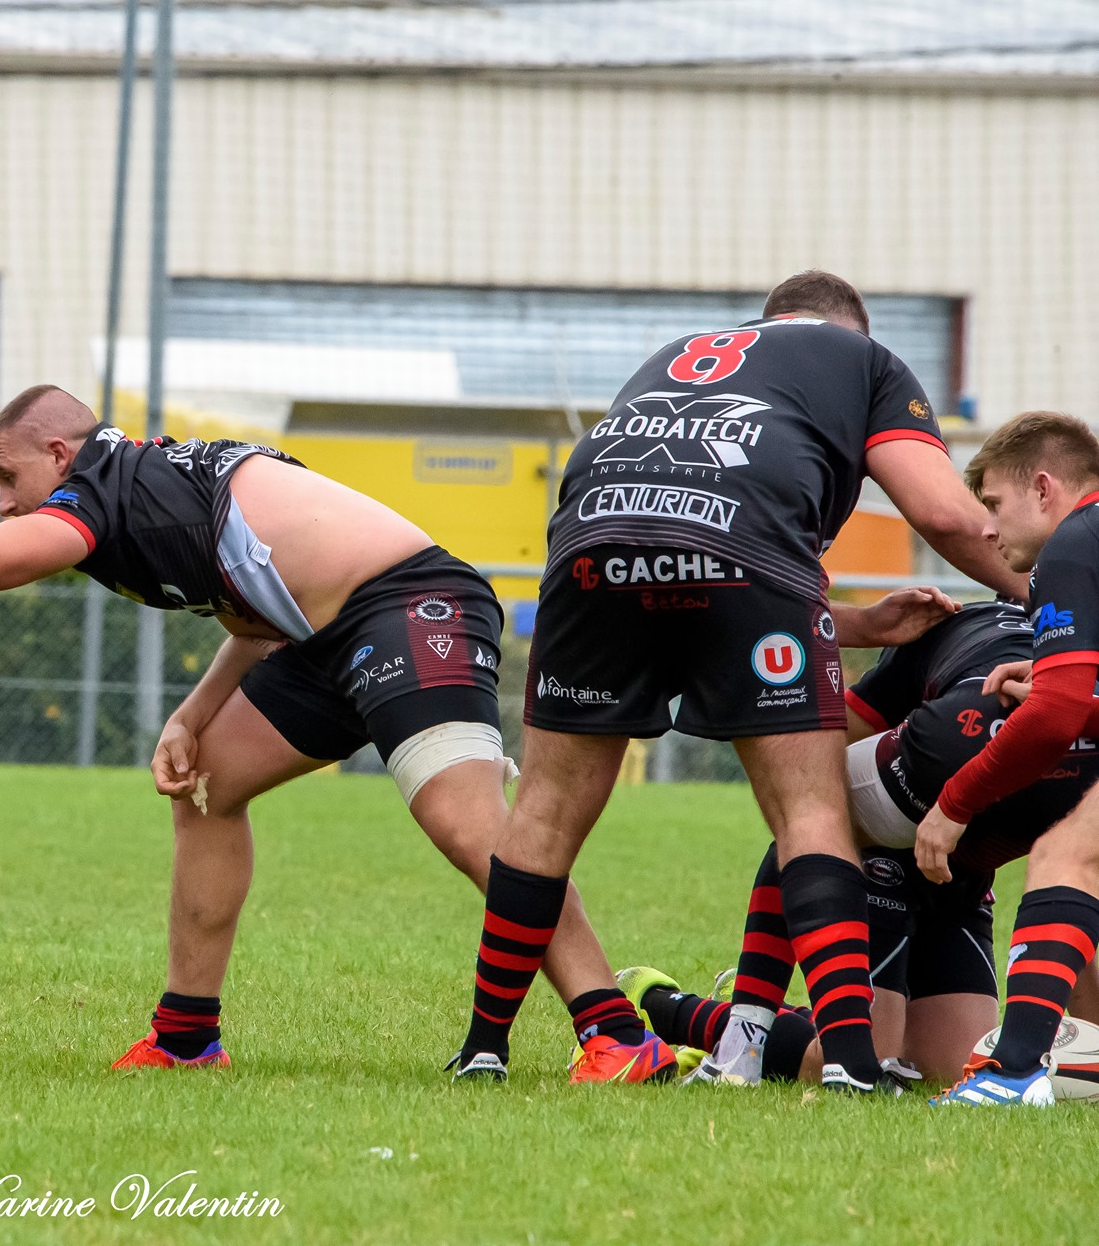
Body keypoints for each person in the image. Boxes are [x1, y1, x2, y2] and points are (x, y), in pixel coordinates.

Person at [0, 385, 678, 1083]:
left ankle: (616, 1032)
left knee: (468, 825)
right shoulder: (143, 488)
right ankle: (187, 1035)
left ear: (60, 453)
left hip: (410, 602)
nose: (5, 503)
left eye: (7, 477)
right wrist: (192, 717)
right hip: (324, 633)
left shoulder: (99, 493)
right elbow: (258, 613)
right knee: (207, 783)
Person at [448, 269, 1027, 1095]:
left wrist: (857, 623)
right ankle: (851, 1064)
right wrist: (1054, 606)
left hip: (590, 550)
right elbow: (944, 514)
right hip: (744, 557)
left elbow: (679, 520)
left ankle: (483, 1046)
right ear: (849, 331)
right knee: (810, 811)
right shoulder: (863, 361)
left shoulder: (681, 353)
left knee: (542, 812)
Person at [628, 599, 1099, 1087]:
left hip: (957, 870)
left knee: (951, 1066)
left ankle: (772, 1017)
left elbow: (1067, 903)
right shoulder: (953, 704)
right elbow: (809, 807)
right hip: (887, 853)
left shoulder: (1073, 712)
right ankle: (706, 1018)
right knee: (858, 1054)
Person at [931, 414, 1099, 1105]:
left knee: (1065, 858)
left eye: (995, 505)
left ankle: (1013, 1072)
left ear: (1044, 487)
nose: (989, 530)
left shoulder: (1075, 541)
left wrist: (954, 803)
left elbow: (1053, 720)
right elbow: (1071, 702)